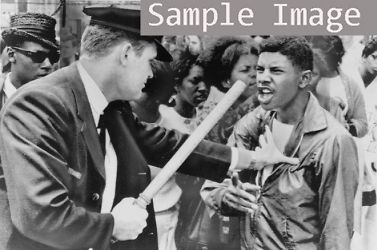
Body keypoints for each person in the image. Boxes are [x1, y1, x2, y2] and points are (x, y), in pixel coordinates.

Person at [0, 6, 298, 250]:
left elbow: (166, 144)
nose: (150, 74)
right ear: (127, 54)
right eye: (149, 61)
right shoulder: (39, 104)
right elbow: (40, 216)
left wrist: (249, 158)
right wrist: (113, 226)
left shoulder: (111, 106)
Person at [201, 36, 359, 249]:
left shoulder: (333, 140)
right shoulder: (251, 124)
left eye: (276, 71)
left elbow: (337, 232)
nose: (262, 78)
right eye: (259, 69)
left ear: (304, 79)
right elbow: (213, 186)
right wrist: (225, 196)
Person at [0, 13, 59, 109]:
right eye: (38, 56)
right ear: (11, 54)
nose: (48, 65)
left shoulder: (60, 104)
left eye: (53, 57)